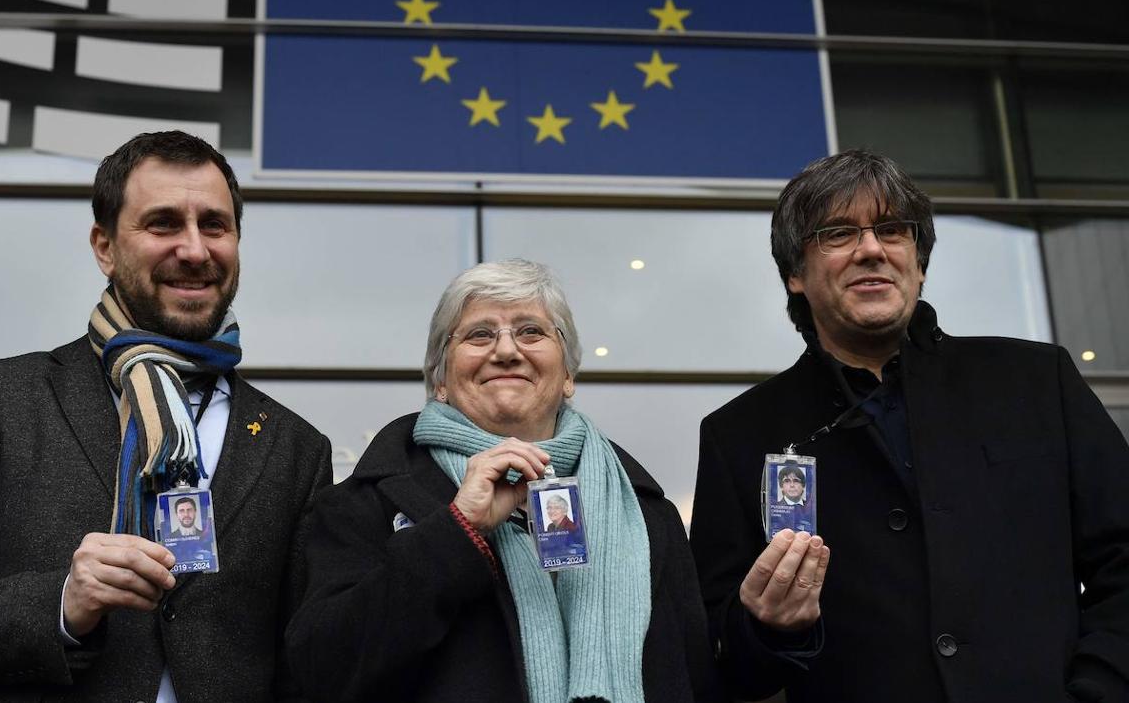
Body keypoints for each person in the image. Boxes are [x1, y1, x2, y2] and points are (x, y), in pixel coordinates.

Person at [0, 131, 332, 702]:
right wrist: (62, 602)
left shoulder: (296, 448)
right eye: (163, 223)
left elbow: (306, 660)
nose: (194, 250)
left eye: (214, 225)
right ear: (105, 246)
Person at [688, 149, 1129, 703]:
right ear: (796, 274)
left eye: (892, 230)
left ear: (917, 261)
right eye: (839, 233)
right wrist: (768, 628)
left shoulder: (1037, 382)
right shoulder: (740, 436)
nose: (871, 249)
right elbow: (719, 659)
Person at [289, 259, 722, 703]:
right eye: (479, 334)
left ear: (568, 375)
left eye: (531, 331)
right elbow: (321, 672)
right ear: (439, 379)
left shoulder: (647, 515)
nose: (507, 351)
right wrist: (457, 530)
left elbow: (698, 681)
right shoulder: (365, 504)